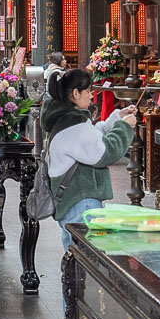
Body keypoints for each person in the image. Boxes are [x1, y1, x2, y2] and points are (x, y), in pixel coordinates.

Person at [41, 69, 137, 251]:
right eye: (88, 91)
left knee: (76, 255)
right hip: (81, 200)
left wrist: (117, 118)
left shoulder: (67, 118)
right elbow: (105, 152)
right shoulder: (73, 125)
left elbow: (92, 137)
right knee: (86, 257)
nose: (92, 95)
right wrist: (124, 127)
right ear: (76, 93)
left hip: (73, 199)